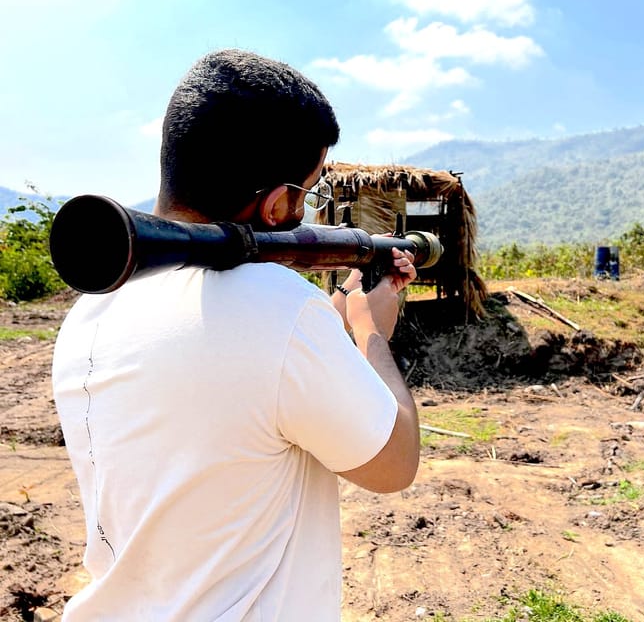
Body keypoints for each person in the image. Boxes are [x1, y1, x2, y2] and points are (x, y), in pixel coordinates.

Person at [51, 49, 420, 621]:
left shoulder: (89, 313)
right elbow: (394, 466)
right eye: (307, 191)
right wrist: (370, 333)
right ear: (277, 204)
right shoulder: (281, 310)